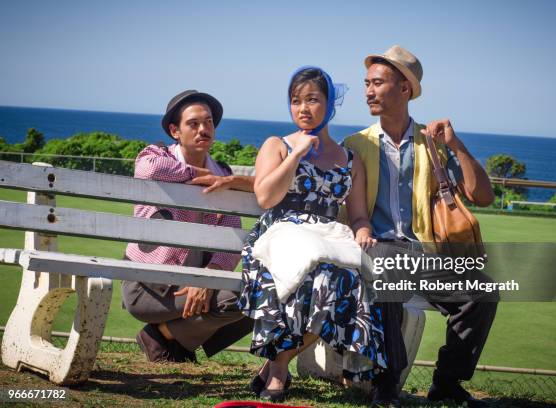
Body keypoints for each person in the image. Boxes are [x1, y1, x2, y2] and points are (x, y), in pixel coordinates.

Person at [343, 46, 498, 407]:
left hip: (426, 255)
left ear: (404, 89)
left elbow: (483, 196)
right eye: (366, 83)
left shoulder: (433, 144)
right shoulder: (354, 146)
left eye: (378, 83)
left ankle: (446, 383)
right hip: (376, 248)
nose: (368, 90)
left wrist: (455, 145)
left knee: (483, 293)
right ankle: (386, 384)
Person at [238, 67, 387, 402]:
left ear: (330, 104)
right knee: (309, 279)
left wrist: (363, 229)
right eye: (295, 101)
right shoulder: (277, 145)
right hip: (276, 240)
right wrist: (296, 155)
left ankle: (273, 367)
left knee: (342, 283)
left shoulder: (350, 160)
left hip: (327, 240)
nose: (303, 108)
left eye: (312, 100)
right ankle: (278, 374)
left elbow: (359, 213)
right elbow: (265, 197)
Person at [122, 90, 255, 363]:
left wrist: (207, 278)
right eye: (193, 123)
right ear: (175, 130)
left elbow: (231, 239)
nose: (203, 129)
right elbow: (145, 170)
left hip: (194, 284)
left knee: (258, 293)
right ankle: (171, 342)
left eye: (208, 122)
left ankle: (161, 338)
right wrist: (200, 175)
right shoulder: (158, 156)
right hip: (149, 287)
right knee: (247, 297)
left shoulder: (223, 173)